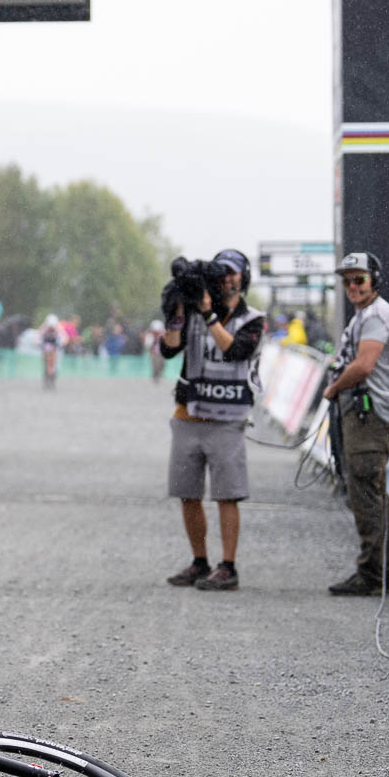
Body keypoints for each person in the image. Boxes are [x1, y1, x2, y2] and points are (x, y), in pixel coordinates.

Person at [156, 249, 265, 592]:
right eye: (221, 274)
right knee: (187, 493)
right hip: (189, 414)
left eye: (233, 273)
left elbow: (235, 350)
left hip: (228, 418)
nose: (226, 280)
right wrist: (176, 313)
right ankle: (199, 561)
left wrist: (208, 313)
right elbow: (169, 349)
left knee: (226, 495)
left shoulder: (253, 319)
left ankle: (228, 567)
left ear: (243, 278)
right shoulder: (191, 311)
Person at [324, 252, 389, 595]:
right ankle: (381, 573)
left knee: (366, 491)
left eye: (359, 279)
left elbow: (364, 364)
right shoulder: (365, 314)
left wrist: (333, 387)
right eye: (347, 281)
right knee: (368, 491)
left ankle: (375, 575)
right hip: (363, 412)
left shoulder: (375, 315)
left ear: (375, 280)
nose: (352, 286)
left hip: (371, 415)